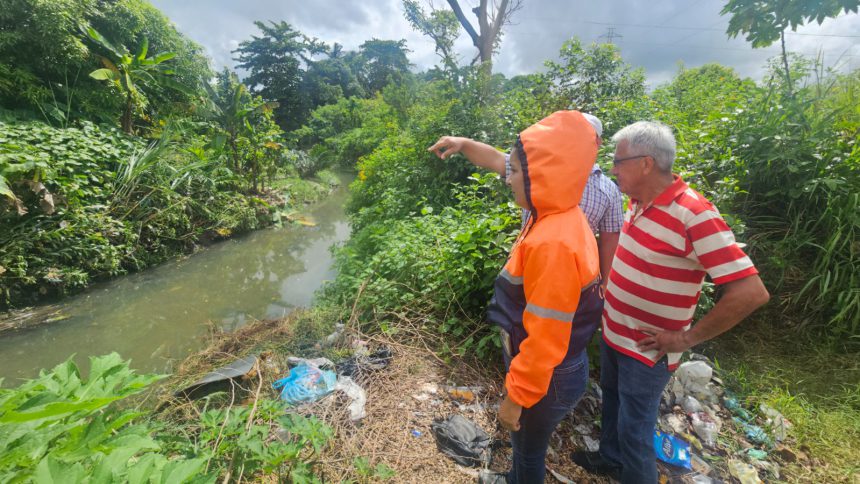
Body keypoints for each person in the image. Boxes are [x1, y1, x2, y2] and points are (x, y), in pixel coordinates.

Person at [572, 121, 770, 484]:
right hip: (616, 335)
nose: (612, 169)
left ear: (646, 163)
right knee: (613, 406)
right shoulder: (637, 200)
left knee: (636, 431)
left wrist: (684, 339)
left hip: (648, 351)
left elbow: (751, 292)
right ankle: (610, 458)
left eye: (618, 161)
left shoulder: (694, 213)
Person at [460, 110, 603, 483]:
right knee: (526, 449)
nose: (509, 180)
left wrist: (516, 397)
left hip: (549, 375)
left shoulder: (553, 241)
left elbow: (545, 337)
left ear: (543, 176)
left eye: (516, 172)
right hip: (559, 370)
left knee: (527, 452)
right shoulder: (561, 216)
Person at [428, 113, 622, 288]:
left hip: (574, 285)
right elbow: (495, 158)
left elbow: (609, 244)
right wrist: (463, 143)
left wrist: (604, 287)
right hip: (527, 270)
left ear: (596, 143)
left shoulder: (609, 190)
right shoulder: (537, 170)